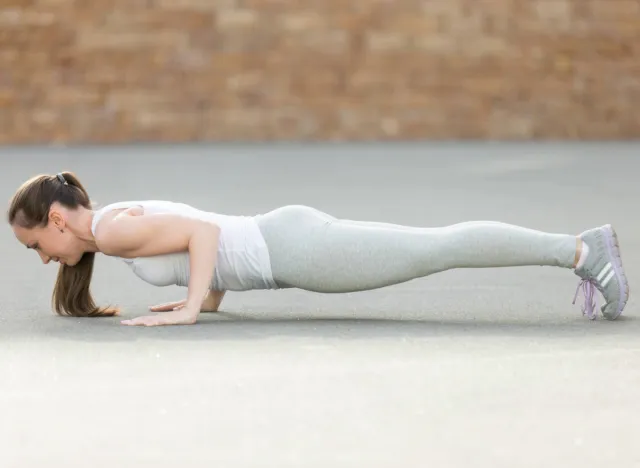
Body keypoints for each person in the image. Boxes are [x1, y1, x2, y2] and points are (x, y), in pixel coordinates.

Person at [7, 171, 629, 327]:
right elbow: (205, 231)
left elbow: (206, 235)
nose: (41, 258)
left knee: (436, 248)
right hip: (285, 244)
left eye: (35, 243)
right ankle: (578, 250)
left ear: (57, 221)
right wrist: (208, 299)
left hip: (291, 250)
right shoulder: (116, 222)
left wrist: (194, 304)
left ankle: (580, 251)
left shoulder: (112, 232)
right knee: (433, 248)